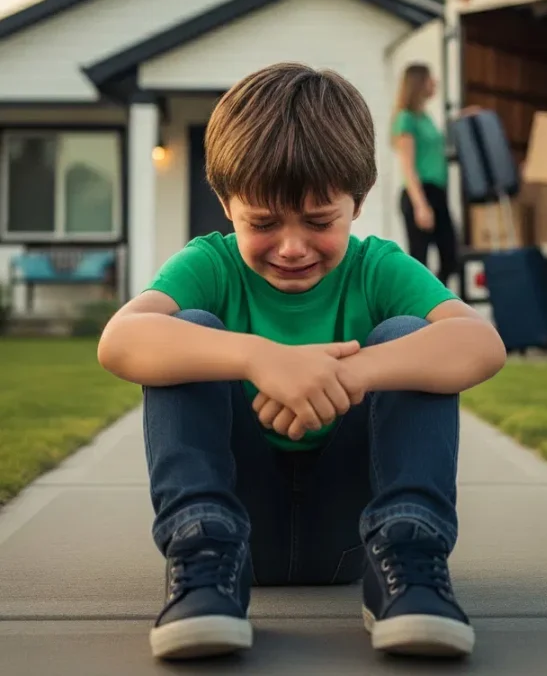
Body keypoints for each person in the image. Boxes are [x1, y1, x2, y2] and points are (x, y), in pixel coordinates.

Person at [97, 63, 505, 663]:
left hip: (355, 537)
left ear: (358, 202)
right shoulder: (210, 265)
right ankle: (204, 566)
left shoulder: (377, 268)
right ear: (226, 203)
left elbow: (481, 345)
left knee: (411, 337)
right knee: (185, 333)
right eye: (262, 222)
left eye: (319, 222)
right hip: (236, 533)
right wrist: (262, 359)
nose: (292, 247)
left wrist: (345, 374)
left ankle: (411, 566)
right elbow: (121, 341)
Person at [392, 63, 458, 285]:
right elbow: (408, 167)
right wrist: (420, 205)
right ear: (419, 82)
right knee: (419, 259)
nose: (435, 82)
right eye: (431, 78)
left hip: (437, 193)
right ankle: (419, 313)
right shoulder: (405, 119)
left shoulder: (426, 118)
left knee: (450, 256)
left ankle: (435, 302)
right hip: (420, 194)